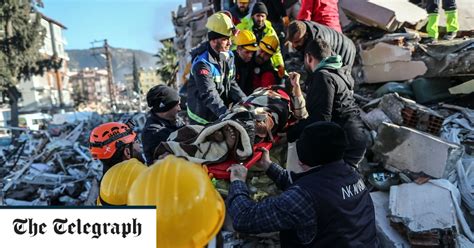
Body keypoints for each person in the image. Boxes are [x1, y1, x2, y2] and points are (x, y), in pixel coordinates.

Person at [226, 121, 377, 247]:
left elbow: (244, 218)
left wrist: (238, 181)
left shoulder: (305, 196)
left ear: (302, 157)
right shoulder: (350, 173)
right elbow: (307, 185)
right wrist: (268, 166)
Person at [289, 38, 368, 167]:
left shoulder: (323, 76)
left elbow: (320, 119)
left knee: (331, 182)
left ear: (309, 57)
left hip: (345, 142)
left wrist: (291, 133)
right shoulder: (338, 72)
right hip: (356, 136)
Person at [187, 12, 246, 125]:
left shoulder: (228, 55)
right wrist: (225, 114)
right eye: (225, 39)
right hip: (201, 119)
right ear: (213, 41)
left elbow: (231, 83)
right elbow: (209, 94)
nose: (229, 43)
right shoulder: (202, 64)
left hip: (218, 113)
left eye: (229, 38)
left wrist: (245, 101)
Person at [237, 2, 285, 78]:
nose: (260, 19)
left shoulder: (270, 30)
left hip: (262, 60)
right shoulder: (242, 27)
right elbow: (234, 46)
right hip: (245, 60)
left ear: (266, 17)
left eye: (262, 16)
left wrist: (280, 66)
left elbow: (276, 50)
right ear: (253, 16)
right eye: (258, 16)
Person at [142, 85, 184, 165]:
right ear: (164, 108)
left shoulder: (174, 120)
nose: (179, 109)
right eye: (177, 105)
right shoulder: (153, 132)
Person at [287, 20, 356, 68]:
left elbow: (322, 64)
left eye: (297, 42)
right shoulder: (301, 26)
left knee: (340, 74)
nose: (294, 45)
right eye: (291, 42)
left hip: (346, 49)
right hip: (335, 41)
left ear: (306, 35)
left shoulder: (317, 41)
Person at [233, 30, 259, 95]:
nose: (250, 55)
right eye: (247, 52)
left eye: (252, 52)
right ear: (238, 49)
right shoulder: (230, 63)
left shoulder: (250, 63)